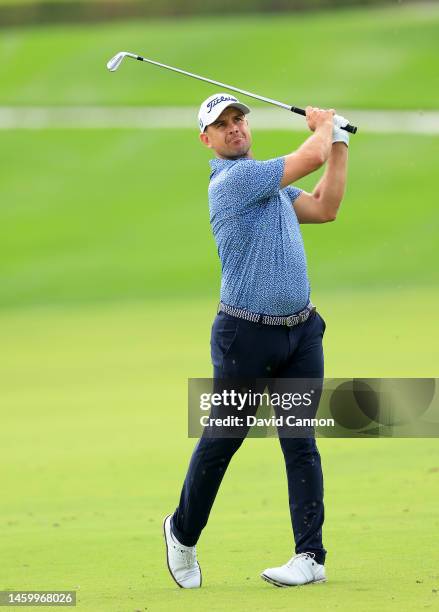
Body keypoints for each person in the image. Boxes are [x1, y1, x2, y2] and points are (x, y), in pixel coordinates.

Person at [163, 92, 349, 588]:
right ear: (207, 140)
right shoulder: (234, 180)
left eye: (239, 119)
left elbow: (326, 207)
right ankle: (181, 533)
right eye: (221, 125)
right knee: (225, 439)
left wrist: (341, 144)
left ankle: (310, 556)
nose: (234, 128)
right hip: (245, 337)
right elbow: (311, 156)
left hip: (301, 333)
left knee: (300, 442)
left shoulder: (272, 189)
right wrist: (324, 126)